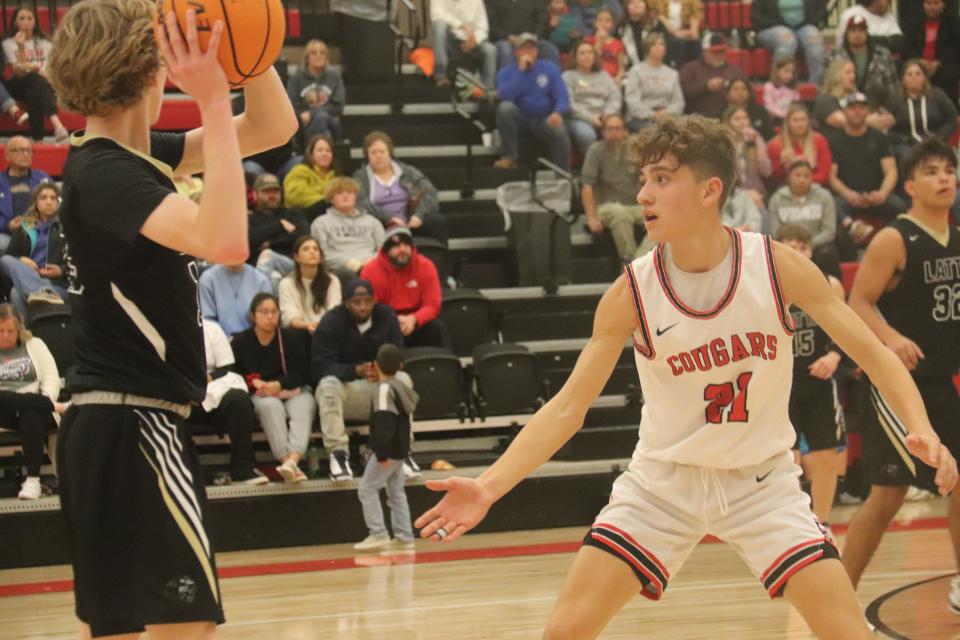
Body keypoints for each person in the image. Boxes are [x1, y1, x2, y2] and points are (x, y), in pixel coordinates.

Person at [414, 115, 956, 640]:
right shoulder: (632, 292)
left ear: (709, 190)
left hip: (761, 483)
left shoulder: (775, 267)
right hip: (662, 483)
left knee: (845, 632)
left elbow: (877, 353)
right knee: (565, 632)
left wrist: (921, 427)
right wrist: (488, 486)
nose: (643, 194)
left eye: (662, 178)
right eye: (643, 179)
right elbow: (566, 409)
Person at [46, 0, 298, 635]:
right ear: (156, 72)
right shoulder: (106, 175)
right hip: (137, 425)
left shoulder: (121, 156)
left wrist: (245, 56)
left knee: (119, 629)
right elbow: (227, 243)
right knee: (186, 626)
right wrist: (213, 99)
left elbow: (272, 126)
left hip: (107, 425)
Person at [841, 137, 960, 615]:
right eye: (931, 172)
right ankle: (840, 599)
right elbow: (858, 302)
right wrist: (889, 337)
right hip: (897, 387)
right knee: (887, 495)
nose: (944, 179)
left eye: (949, 170)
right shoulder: (894, 238)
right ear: (909, 185)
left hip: (939, 382)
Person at [776, 224, 846, 527]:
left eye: (803, 247)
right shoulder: (766, 284)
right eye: (790, 245)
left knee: (826, 456)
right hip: (780, 384)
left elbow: (845, 329)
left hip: (818, 380)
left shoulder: (829, 284)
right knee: (787, 460)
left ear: (811, 251)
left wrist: (834, 355)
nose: (797, 252)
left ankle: (823, 525)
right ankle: (794, 525)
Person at [312, 279, 405, 481]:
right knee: (327, 384)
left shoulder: (387, 316)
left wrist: (383, 370)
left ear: (374, 300)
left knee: (403, 380)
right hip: (347, 390)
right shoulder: (331, 321)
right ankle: (338, 454)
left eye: (368, 301)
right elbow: (320, 366)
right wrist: (355, 371)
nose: (363, 307)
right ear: (346, 303)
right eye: (356, 302)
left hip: (379, 388)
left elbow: (399, 357)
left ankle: (402, 450)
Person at [232, 292, 316, 484]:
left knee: (305, 405)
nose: (270, 317)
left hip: (292, 390)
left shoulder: (290, 338)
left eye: (274, 312)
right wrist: (254, 382)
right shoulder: (241, 341)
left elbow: (301, 373)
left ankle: (293, 461)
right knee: (270, 406)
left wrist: (279, 384)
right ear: (253, 315)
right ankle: (286, 461)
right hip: (260, 393)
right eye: (264, 312)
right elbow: (233, 373)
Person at [354, 343, 420, 551]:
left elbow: (383, 422)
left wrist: (380, 451)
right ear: (400, 365)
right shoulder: (401, 387)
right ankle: (404, 534)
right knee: (396, 492)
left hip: (388, 451)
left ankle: (378, 533)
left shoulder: (383, 390)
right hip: (400, 450)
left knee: (366, 489)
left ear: (375, 365)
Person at [190, 319, 268, 486]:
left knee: (239, 399)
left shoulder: (211, 328)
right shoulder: (166, 327)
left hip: (212, 387)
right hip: (181, 390)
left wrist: (207, 379)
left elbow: (227, 367)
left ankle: (243, 469)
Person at [0, 303, 62, 500]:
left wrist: (46, 399)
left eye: (10, 330)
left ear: (19, 329)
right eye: (0, 331)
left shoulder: (36, 344)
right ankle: (50, 406)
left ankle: (33, 481)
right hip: (4, 409)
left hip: (36, 408)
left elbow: (52, 377)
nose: (5, 335)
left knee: (31, 413)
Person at [827, 91, 907, 238]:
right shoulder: (834, 140)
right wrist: (848, 194)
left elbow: (891, 171)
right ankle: (853, 230)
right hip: (848, 197)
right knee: (832, 205)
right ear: (844, 111)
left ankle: (891, 242)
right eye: (852, 108)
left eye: (862, 108)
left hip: (876, 195)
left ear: (868, 111)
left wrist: (882, 193)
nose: (857, 112)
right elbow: (831, 176)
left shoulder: (880, 138)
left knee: (901, 207)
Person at [360, 227, 449, 349]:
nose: (402, 249)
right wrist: (393, 321)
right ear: (386, 250)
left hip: (417, 318)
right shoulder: (370, 271)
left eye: (406, 245)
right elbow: (369, 308)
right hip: (385, 319)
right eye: (396, 246)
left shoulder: (426, 266)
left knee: (437, 328)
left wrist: (414, 319)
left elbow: (432, 304)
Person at [354, 131, 448, 245]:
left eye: (382, 152)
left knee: (437, 221)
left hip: (411, 222)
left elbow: (430, 192)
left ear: (389, 152)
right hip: (382, 224)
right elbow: (361, 203)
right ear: (367, 156)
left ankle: (440, 259)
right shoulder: (360, 176)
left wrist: (419, 215)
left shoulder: (407, 171)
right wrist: (390, 219)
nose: (378, 156)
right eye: (373, 153)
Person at [494, 33, 572, 171]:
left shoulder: (549, 68)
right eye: (524, 49)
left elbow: (562, 96)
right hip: (520, 120)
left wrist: (557, 113)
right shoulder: (505, 72)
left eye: (531, 48)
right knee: (505, 108)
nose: (528, 52)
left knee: (559, 130)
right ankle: (510, 157)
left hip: (543, 120)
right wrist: (520, 72)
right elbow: (506, 96)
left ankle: (563, 173)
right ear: (516, 52)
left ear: (537, 51)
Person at [581, 114, 650, 261]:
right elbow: (587, 186)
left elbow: (648, 178)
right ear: (603, 132)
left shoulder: (635, 149)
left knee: (664, 219)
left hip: (635, 205)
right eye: (610, 129)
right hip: (606, 206)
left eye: (618, 128)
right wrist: (591, 218)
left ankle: (639, 261)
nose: (614, 132)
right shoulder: (595, 150)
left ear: (625, 131)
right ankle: (628, 259)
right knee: (620, 213)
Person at [1, 6, 69, 142]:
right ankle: (58, 125)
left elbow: (53, 76)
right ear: (15, 22)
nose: (26, 22)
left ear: (35, 22)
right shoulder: (8, 43)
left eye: (29, 18)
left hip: (44, 84)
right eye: (22, 18)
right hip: (18, 85)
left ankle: (38, 141)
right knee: (32, 78)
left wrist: (36, 69)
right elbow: (19, 72)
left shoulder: (46, 44)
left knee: (33, 91)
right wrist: (21, 47)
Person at [0, 182, 68, 314]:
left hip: (56, 285)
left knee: (15, 293)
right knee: (5, 260)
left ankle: (26, 333)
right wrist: (22, 260)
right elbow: (10, 255)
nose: (49, 202)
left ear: (58, 202)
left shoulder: (66, 226)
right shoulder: (25, 226)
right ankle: (40, 292)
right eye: (43, 197)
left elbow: (78, 261)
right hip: (29, 275)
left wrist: (61, 270)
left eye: (53, 198)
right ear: (35, 202)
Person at [312, 176, 386, 283]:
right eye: (340, 192)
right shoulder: (321, 223)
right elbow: (320, 255)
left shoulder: (372, 221)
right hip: (340, 271)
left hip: (372, 266)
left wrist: (370, 263)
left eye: (349, 192)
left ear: (355, 196)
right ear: (332, 198)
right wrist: (352, 264)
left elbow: (384, 249)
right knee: (346, 274)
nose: (345, 195)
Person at [768, 159, 838, 268]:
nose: (802, 179)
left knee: (828, 253)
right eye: (797, 175)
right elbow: (775, 231)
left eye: (807, 176)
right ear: (789, 177)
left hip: (816, 245)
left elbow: (829, 231)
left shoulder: (824, 196)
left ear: (812, 178)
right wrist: (793, 246)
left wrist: (807, 245)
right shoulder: (777, 199)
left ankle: (831, 284)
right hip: (787, 246)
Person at [248, 173, 309, 290]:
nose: (272, 195)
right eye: (266, 191)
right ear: (255, 194)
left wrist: (270, 243)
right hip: (260, 270)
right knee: (273, 276)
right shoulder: (249, 219)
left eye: (275, 191)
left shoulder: (292, 213)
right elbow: (251, 239)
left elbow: (303, 236)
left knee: (267, 255)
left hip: (292, 265)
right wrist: (280, 225)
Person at [887, 60, 958, 160]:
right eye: (909, 74)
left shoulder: (938, 95)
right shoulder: (894, 100)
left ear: (925, 77)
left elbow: (951, 120)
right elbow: (888, 129)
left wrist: (938, 137)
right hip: (905, 145)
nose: (914, 77)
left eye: (918, 74)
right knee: (908, 157)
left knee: (941, 156)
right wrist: (906, 140)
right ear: (903, 79)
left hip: (936, 141)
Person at [563, 41, 622, 156]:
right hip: (579, 118)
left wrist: (608, 115)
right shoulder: (568, 76)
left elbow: (615, 97)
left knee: (617, 132)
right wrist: (591, 118)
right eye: (582, 53)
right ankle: (592, 169)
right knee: (587, 135)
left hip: (605, 117)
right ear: (575, 58)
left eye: (590, 53)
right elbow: (570, 104)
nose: (587, 56)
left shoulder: (604, 75)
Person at [826, 15, 898, 104]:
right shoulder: (835, 55)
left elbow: (892, 85)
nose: (857, 34)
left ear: (867, 33)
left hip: (877, 104)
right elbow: (827, 84)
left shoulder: (882, 55)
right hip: (843, 104)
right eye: (853, 31)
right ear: (846, 34)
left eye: (861, 30)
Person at [750, 0, 826, 84]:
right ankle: (778, 85)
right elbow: (755, 15)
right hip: (771, 27)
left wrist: (812, 21)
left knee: (814, 41)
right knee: (787, 40)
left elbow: (822, 10)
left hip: (804, 26)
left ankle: (817, 85)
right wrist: (779, 24)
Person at [279, 235, 342, 334]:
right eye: (306, 249)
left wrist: (320, 325)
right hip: (299, 331)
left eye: (315, 249)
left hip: (327, 330)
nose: (312, 252)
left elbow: (333, 311)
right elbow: (289, 315)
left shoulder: (332, 280)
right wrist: (307, 325)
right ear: (296, 257)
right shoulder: (286, 283)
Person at [285, 39, 344, 144]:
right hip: (303, 126)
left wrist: (312, 114)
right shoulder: (295, 78)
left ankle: (313, 152)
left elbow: (338, 107)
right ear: (307, 58)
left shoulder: (335, 78)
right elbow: (291, 107)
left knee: (322, 117)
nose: (318, 55)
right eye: (314, 53)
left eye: (322, 53)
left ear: (326, 57)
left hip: (330, 123)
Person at [902, 0, 960, 104]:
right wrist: (919, 61)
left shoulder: (954, 24)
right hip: (918, 64)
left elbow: (955, 48)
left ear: (943, 5)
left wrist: (938, 62)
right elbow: (908, 49)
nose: (932, 7)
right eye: (928, 3)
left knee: (949, 74)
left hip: (945, 66)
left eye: (936, 3)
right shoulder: (913, 25)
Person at [431, 0, 497, 90]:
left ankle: (488, 90)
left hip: (471, 40)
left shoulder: (476, 1)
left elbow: (483, 28)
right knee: (439, 25)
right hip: (450, 41)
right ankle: (441, 75)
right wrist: (461, 25)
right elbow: (436, 14)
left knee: (491, 50)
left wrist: (474, 41)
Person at [624, 33, 684, 132]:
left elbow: (679, 102)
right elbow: (633, 102)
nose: (659, 47)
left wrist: (666, 113)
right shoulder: (636, 71)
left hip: (667, 116)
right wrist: (653, 115)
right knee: (658, 131)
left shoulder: (672, 73)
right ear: (647, 48)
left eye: (661, 44)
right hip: (641, 118)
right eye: (654, 45)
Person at [679, 33, 747, 120]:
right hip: (698, 119)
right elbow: (682, 93)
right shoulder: (690, 69)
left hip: (729, 120)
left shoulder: (735, 70)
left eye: (722, 51)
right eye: (715, 52)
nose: (719, 55)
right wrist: (706, 87)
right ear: (705, 51)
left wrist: (740, 94)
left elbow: (750, 94)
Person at [0, 136, 50, 253]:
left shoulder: (43, 179)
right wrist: (8, 225)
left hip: (39, 232)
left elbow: (56, 206)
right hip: (8, 235)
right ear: (8, 155)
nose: (26, 154)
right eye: (21, 150)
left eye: (29, 150)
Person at [767, 102, 832, 187]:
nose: (800, 124)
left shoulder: (819, 140)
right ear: (787, 123)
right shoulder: (775, 145)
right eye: (795, 120)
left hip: (815, 187)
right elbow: (774, 179)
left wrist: (802, 182)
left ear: (809, 121)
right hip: (787, 188)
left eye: (803, 119)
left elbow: (824, 175)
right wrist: (781, 164)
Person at [199, 262, 273, 337]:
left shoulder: (261, 280)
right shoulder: (208, 279)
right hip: (219, 342)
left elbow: (267, 321)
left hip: (254, 342)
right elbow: (207, 322)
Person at [282, 134, 340, 223]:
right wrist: (326, 201)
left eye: (328, 151)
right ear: (311, 154)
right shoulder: (300, 171)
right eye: (320, 150)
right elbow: (295, 197)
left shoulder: (337, 176)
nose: (324, 153)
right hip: (303, 217)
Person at [487, 0, 561, 68]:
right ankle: (509, 81)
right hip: (505, 40)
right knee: (505, 50)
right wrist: (508, 37)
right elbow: (491, 26)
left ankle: (554, 81)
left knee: (550, 49)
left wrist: (534, 37)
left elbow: (541, 22)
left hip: (532, 39)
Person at [724, 105, 771, 210]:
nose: (742, 122)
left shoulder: (756, 139)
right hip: (732, 196)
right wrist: (745, 194)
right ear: (728, 123)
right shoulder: (724, 145)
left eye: (745, 118)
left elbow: (766, 171)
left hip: (757, 194)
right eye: (737, 119)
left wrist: (757, 142)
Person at [836, 0, 903, 56]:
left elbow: (898, 43)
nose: (889, 4)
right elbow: (844, 42)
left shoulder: (889, 17)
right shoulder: (851, 13)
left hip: (881, 61)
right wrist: (884, 40)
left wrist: (868, 40)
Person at [620, 0, 672, 69]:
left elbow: (666, 45)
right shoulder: (621, 28)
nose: (636, 5)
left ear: (646, 5)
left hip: (656, 68)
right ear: (626, 7)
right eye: (632, 2)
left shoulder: (656, 24)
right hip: (630, 69)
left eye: (640, 1)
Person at [651, 0, 702, 66]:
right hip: (665, 32)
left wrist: (686, 33)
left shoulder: (692, 3)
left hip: (684, 34)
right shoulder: (659, 3)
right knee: (679, 43)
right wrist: (676, 33)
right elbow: (666, 25)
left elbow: (694, 33)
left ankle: (694, 71)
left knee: (696, 43)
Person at [724, 77, 774, 141]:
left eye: (744, 89)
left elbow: (771, 136)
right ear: (727, 93)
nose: (740, 92)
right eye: (735, 89)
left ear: (749, 93)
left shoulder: (760, 111)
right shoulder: (722, 112)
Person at [583, 8, 625, 84]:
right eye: (601, 20)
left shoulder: (618, 43)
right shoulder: (588, 41)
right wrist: (599, 41)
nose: (604, 23)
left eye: (607, 21)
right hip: (592, 77)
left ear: (612, 24)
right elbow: (591, 61)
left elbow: (621, 68)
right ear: (595, 23)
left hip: (612, 79)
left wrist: (618, 78)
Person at [763, 57, 801, 125]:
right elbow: (769, 106)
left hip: (791, 118)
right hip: (776, 119)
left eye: (792, 72)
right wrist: (784, 115)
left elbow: (796, 104)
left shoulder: (793, 88)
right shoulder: (769, 86)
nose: (790, 75)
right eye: (786, 71)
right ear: (777, 71)